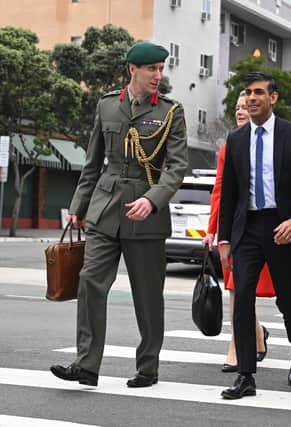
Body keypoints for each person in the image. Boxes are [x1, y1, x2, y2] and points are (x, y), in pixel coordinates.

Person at [50, 41, 188, 388]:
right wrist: (79, 208)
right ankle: (86, 364)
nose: (159, 75)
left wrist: (153, 199)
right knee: (90, 282)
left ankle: (147, 367)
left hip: (147, 214)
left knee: (147, 294)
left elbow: (176, 167)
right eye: (151, 69)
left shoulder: (171, 112)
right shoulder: (108, 106)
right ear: (133, 70)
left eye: (161, 69)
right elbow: (93, 162)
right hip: (105, 210)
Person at [217, 72, 291, 399]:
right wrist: (225, 239)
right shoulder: (236, 139)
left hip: (281, 227)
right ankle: (246, 374)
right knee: (242, 297)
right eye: (248, 93)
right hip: (247, 228)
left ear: (272, 98)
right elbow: (229, 194)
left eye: (259, 92)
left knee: (288, 299)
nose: (251, 98)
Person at [203, 93, 272, 373]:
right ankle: (239, 345)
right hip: (233, 230)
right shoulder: (229, 146)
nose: (241, 112)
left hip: (262, 228)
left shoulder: (271, 141)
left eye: (246, 107)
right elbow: (219, 191)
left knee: (245, 290)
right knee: (235, 288)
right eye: (237, 108)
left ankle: (254, 337)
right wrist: (212, 230)